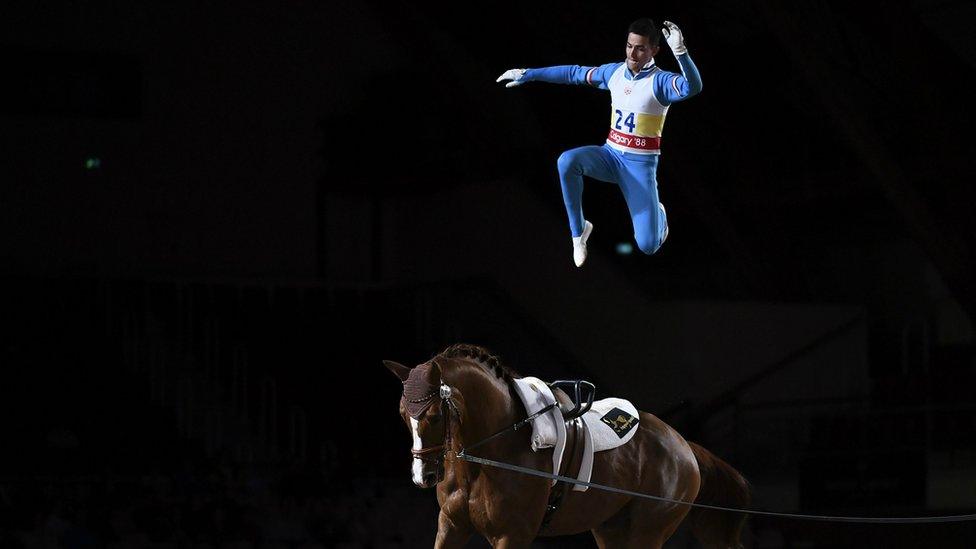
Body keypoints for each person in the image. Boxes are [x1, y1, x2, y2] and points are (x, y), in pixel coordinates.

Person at [497, 19, 702, 267]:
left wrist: (681, 53)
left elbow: (692, 87)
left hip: (639, 167)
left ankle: (658, 216)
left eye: (640, 48)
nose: (632, 53)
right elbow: (574, 73)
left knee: (648, 246)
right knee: (567, 161)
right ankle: (579, 231)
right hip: (610, 155)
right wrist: (529, 74)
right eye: (629, 46)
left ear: (654, 51)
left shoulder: (660, 81)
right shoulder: (614, 72)